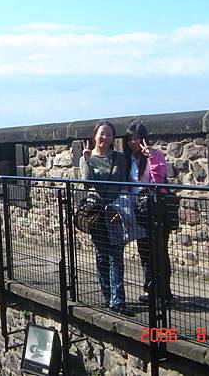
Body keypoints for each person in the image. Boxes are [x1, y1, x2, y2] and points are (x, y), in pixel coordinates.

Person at [80, 120, 134, 316]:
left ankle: (117, 300)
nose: (105, 137)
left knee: (116, 256)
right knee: (102, 256)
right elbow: (87, 184)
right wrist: (87, 162)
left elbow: (124, 183)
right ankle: (107, 296)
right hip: (96, 212)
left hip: (115, 211)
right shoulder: (87, 157)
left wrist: (120, 207)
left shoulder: (119, 158)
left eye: (109, 134)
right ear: (95, 136)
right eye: (102, 133)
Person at [124, 123, 173, 304]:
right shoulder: (128, 159)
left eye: (136, 138)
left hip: (156, 210)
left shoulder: (156, 154)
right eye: (130, 139)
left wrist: (151, 158)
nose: (133, 142)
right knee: (145, 252)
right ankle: (151, 291)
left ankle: (165, 293)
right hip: (139, 211)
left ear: (144, 138)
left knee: (160, 252)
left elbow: (159, 181)